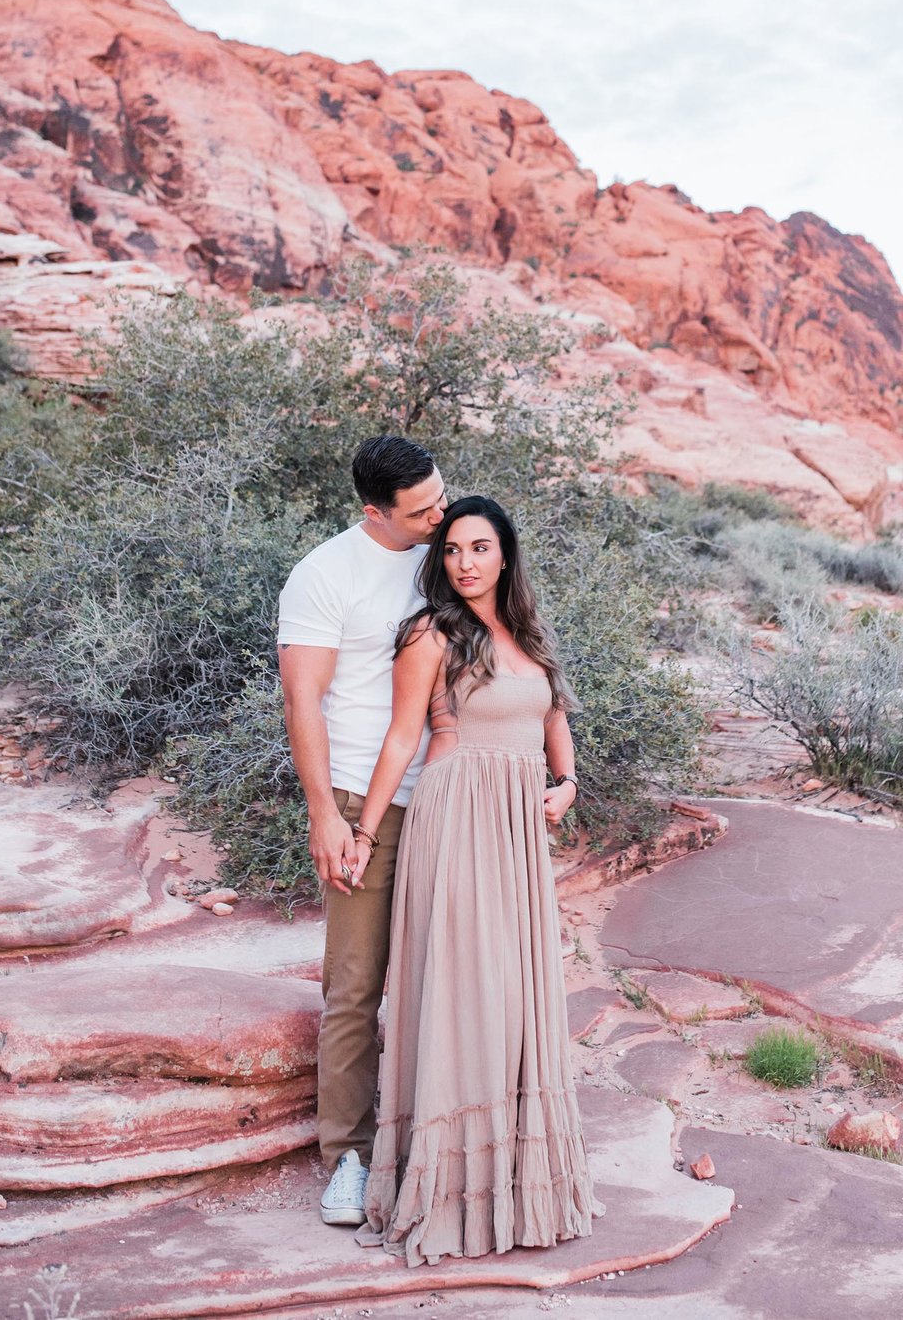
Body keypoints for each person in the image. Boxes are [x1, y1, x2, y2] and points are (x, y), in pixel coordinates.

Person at [349, 493, 594, 1265]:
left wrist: (567, 781)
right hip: (457, 819)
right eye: (453, 550)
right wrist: (360, 830)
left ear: (505, 554)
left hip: (519, 829)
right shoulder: (430, 633)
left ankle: (521, 1190)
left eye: (480, 548)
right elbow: (399, 739)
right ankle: (454, 1196)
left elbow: (552, 713)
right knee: (467, 987)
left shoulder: (527, 634)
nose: (465, 562)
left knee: (519, 995)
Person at [277, 433, 447, 1229]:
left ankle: (441, 1145)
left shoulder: (448, 554)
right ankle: (348, 1155)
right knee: (355, 984)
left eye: (441, 497)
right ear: (373, 512)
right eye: (420, 510)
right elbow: (302, 701)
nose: (438, 516)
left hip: (450, 793)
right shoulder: (324, 575)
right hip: (356, 797)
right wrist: (324, 814)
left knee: (443, 977)